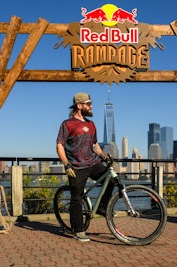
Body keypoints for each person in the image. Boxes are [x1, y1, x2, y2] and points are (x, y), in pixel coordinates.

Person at [56, 92, 114, 242]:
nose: (91, 106)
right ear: (79, 105)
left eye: (91, 103)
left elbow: (95, 145)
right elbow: (59, 145)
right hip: (75, 166)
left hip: (93, 163)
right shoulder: (67, 124)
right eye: (89, 103)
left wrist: (104, 157)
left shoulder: (91, 124)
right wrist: (66, 164)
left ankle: (102, 207)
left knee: (111, 180)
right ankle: (78, 230)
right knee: (77, 198)